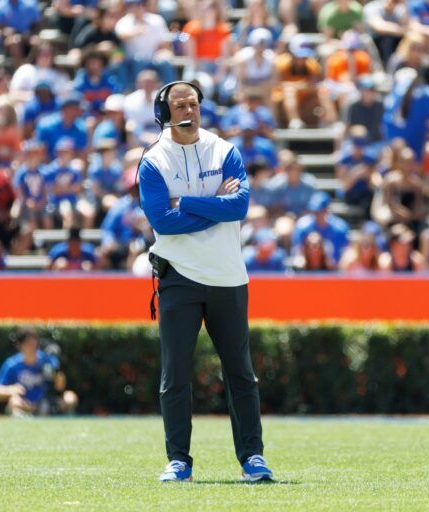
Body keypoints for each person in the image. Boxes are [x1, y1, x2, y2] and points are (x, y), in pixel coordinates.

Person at [137, 80, 273, 483]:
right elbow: (162, 220)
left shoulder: (224, 149)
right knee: (174, 373)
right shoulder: (153, 160)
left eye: (193, 103)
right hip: (178, 276)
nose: (187, 111)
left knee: (241, 373)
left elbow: (242, 205)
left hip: (228, 276)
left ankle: (253, 457)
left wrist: (190, 204)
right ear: (165, 112)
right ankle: (178, 459)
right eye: (179, 104)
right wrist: (217, 204)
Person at [0, 327, 78, 416]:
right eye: (28, 343)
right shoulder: (12, 364)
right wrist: (11, 390)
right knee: (14, 401)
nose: (32, 347)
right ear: (20, 346)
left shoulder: (47, 360)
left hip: (47, 404)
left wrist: (56, 373)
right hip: (25, 404)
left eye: (34, 342)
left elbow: (60, 387)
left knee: (70, 397)